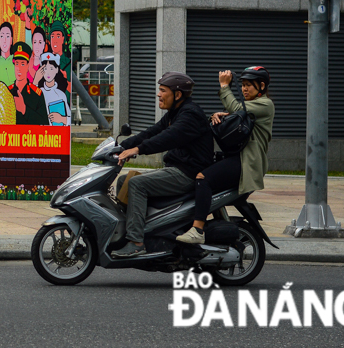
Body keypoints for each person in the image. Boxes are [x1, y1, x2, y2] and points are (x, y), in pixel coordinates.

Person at [111, 72, 215, 258]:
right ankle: (141, 229)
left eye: (163, 90)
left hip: (187, 172)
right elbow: (152, 132)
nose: (158, 94)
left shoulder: (190, 115)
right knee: (123, 183)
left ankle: (136, 242)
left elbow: (167, 138)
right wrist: (118, 146)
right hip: (177, 168)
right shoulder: (174, 113)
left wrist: (138, 150)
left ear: (177, 95)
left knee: (136, 184)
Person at [176, 66, 275, 244]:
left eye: (249, 85)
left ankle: (197, 230)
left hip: (246, 162)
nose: (244, 89)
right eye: (243, 85)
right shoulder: (251, 106)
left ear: (261, 86)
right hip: (235, 157)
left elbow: (237, 108)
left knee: (203, 178)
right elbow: (235, 115)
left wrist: (224, 86)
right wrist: (216, 116)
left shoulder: (265, 105)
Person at [7, 42, 48, 125]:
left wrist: (24, 110)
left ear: (28, 65)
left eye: (22, 64)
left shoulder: (37, 94)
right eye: (17, 64)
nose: (19, 68)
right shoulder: (7, 92)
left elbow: (44, 124)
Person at [38, 53, 70, 126]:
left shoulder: (61, 94)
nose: (48, 72)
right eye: (45, 69)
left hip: (57, 134)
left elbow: (69, 117)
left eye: (51, 68)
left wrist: (62, 119)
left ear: (56, 70)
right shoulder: (39, 92)